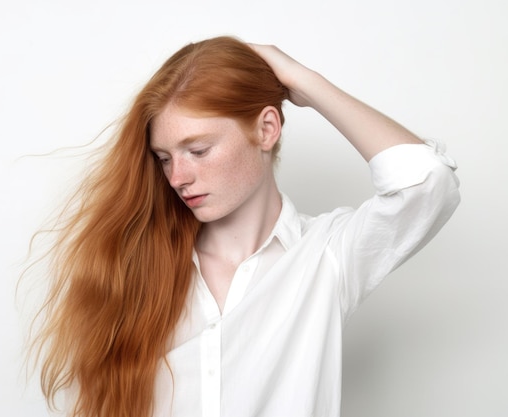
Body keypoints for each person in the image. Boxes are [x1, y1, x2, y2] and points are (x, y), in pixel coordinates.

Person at [29, 36, 460, 417]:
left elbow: (427, 182)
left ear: (267, 129)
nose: (178, 176)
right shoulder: (134, 266)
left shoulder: (324, 257)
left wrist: (305, 82)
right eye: (164, 158)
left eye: (197, 150)